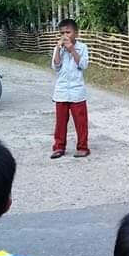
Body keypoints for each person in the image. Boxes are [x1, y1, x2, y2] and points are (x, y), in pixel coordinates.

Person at [51, 18, 90, 158]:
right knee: (60, 122)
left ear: (76, 33)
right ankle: (58, 147)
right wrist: (58, 49)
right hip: (61, 90)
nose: (65, 35)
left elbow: (83, 65)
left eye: (68, 32)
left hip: (77, 90)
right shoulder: (58, 48)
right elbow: (56, 66)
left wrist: (72, 50)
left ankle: (83, 147)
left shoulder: (82, 47)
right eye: (62, 32)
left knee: (81, 121)